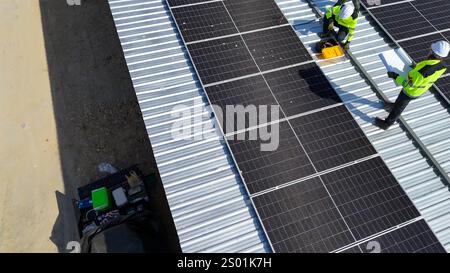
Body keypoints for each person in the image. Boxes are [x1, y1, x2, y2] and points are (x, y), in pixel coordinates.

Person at [375, 40, 449, 130]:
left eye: (431, 50)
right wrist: (416, 67)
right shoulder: (442, 65)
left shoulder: (422, 71)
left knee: (399, 107)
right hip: (419, 89)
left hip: (411, 91)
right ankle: (393, 106)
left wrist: (395, 76)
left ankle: (387, 124)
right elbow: (427, 71)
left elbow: (408, 85)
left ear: (433, 53)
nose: (429, 50)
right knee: (399, 101)